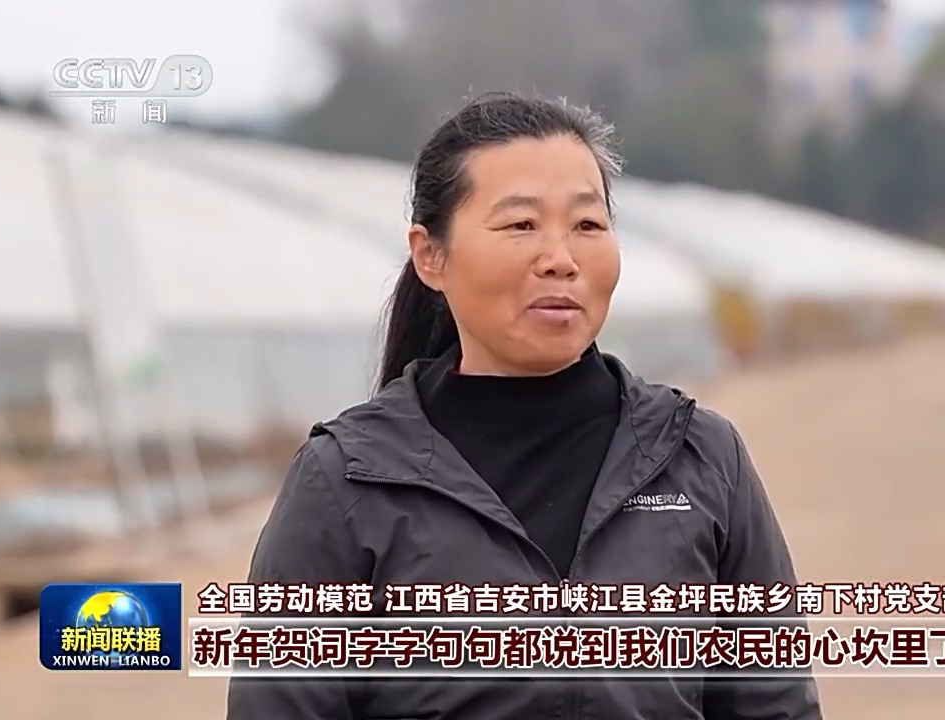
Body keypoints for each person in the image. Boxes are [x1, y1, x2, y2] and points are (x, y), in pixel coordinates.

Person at [227, 91, 821, 720]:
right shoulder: (347, 479)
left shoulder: (699, 456)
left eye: (587, 226)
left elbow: (776, 706)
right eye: (521, 226)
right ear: (430, 255)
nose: (561, 260)